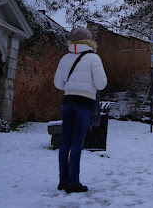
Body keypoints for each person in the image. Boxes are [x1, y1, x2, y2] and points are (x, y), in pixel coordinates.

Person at [54, 27, 107, 193]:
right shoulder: (93, 58)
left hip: (67, 101)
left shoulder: (65, 58)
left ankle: (63, 181)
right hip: (84, 103)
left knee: (65, 142)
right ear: (89, 40)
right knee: (77, 141)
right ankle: (73, 182)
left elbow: (58, 84)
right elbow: (101, 84)